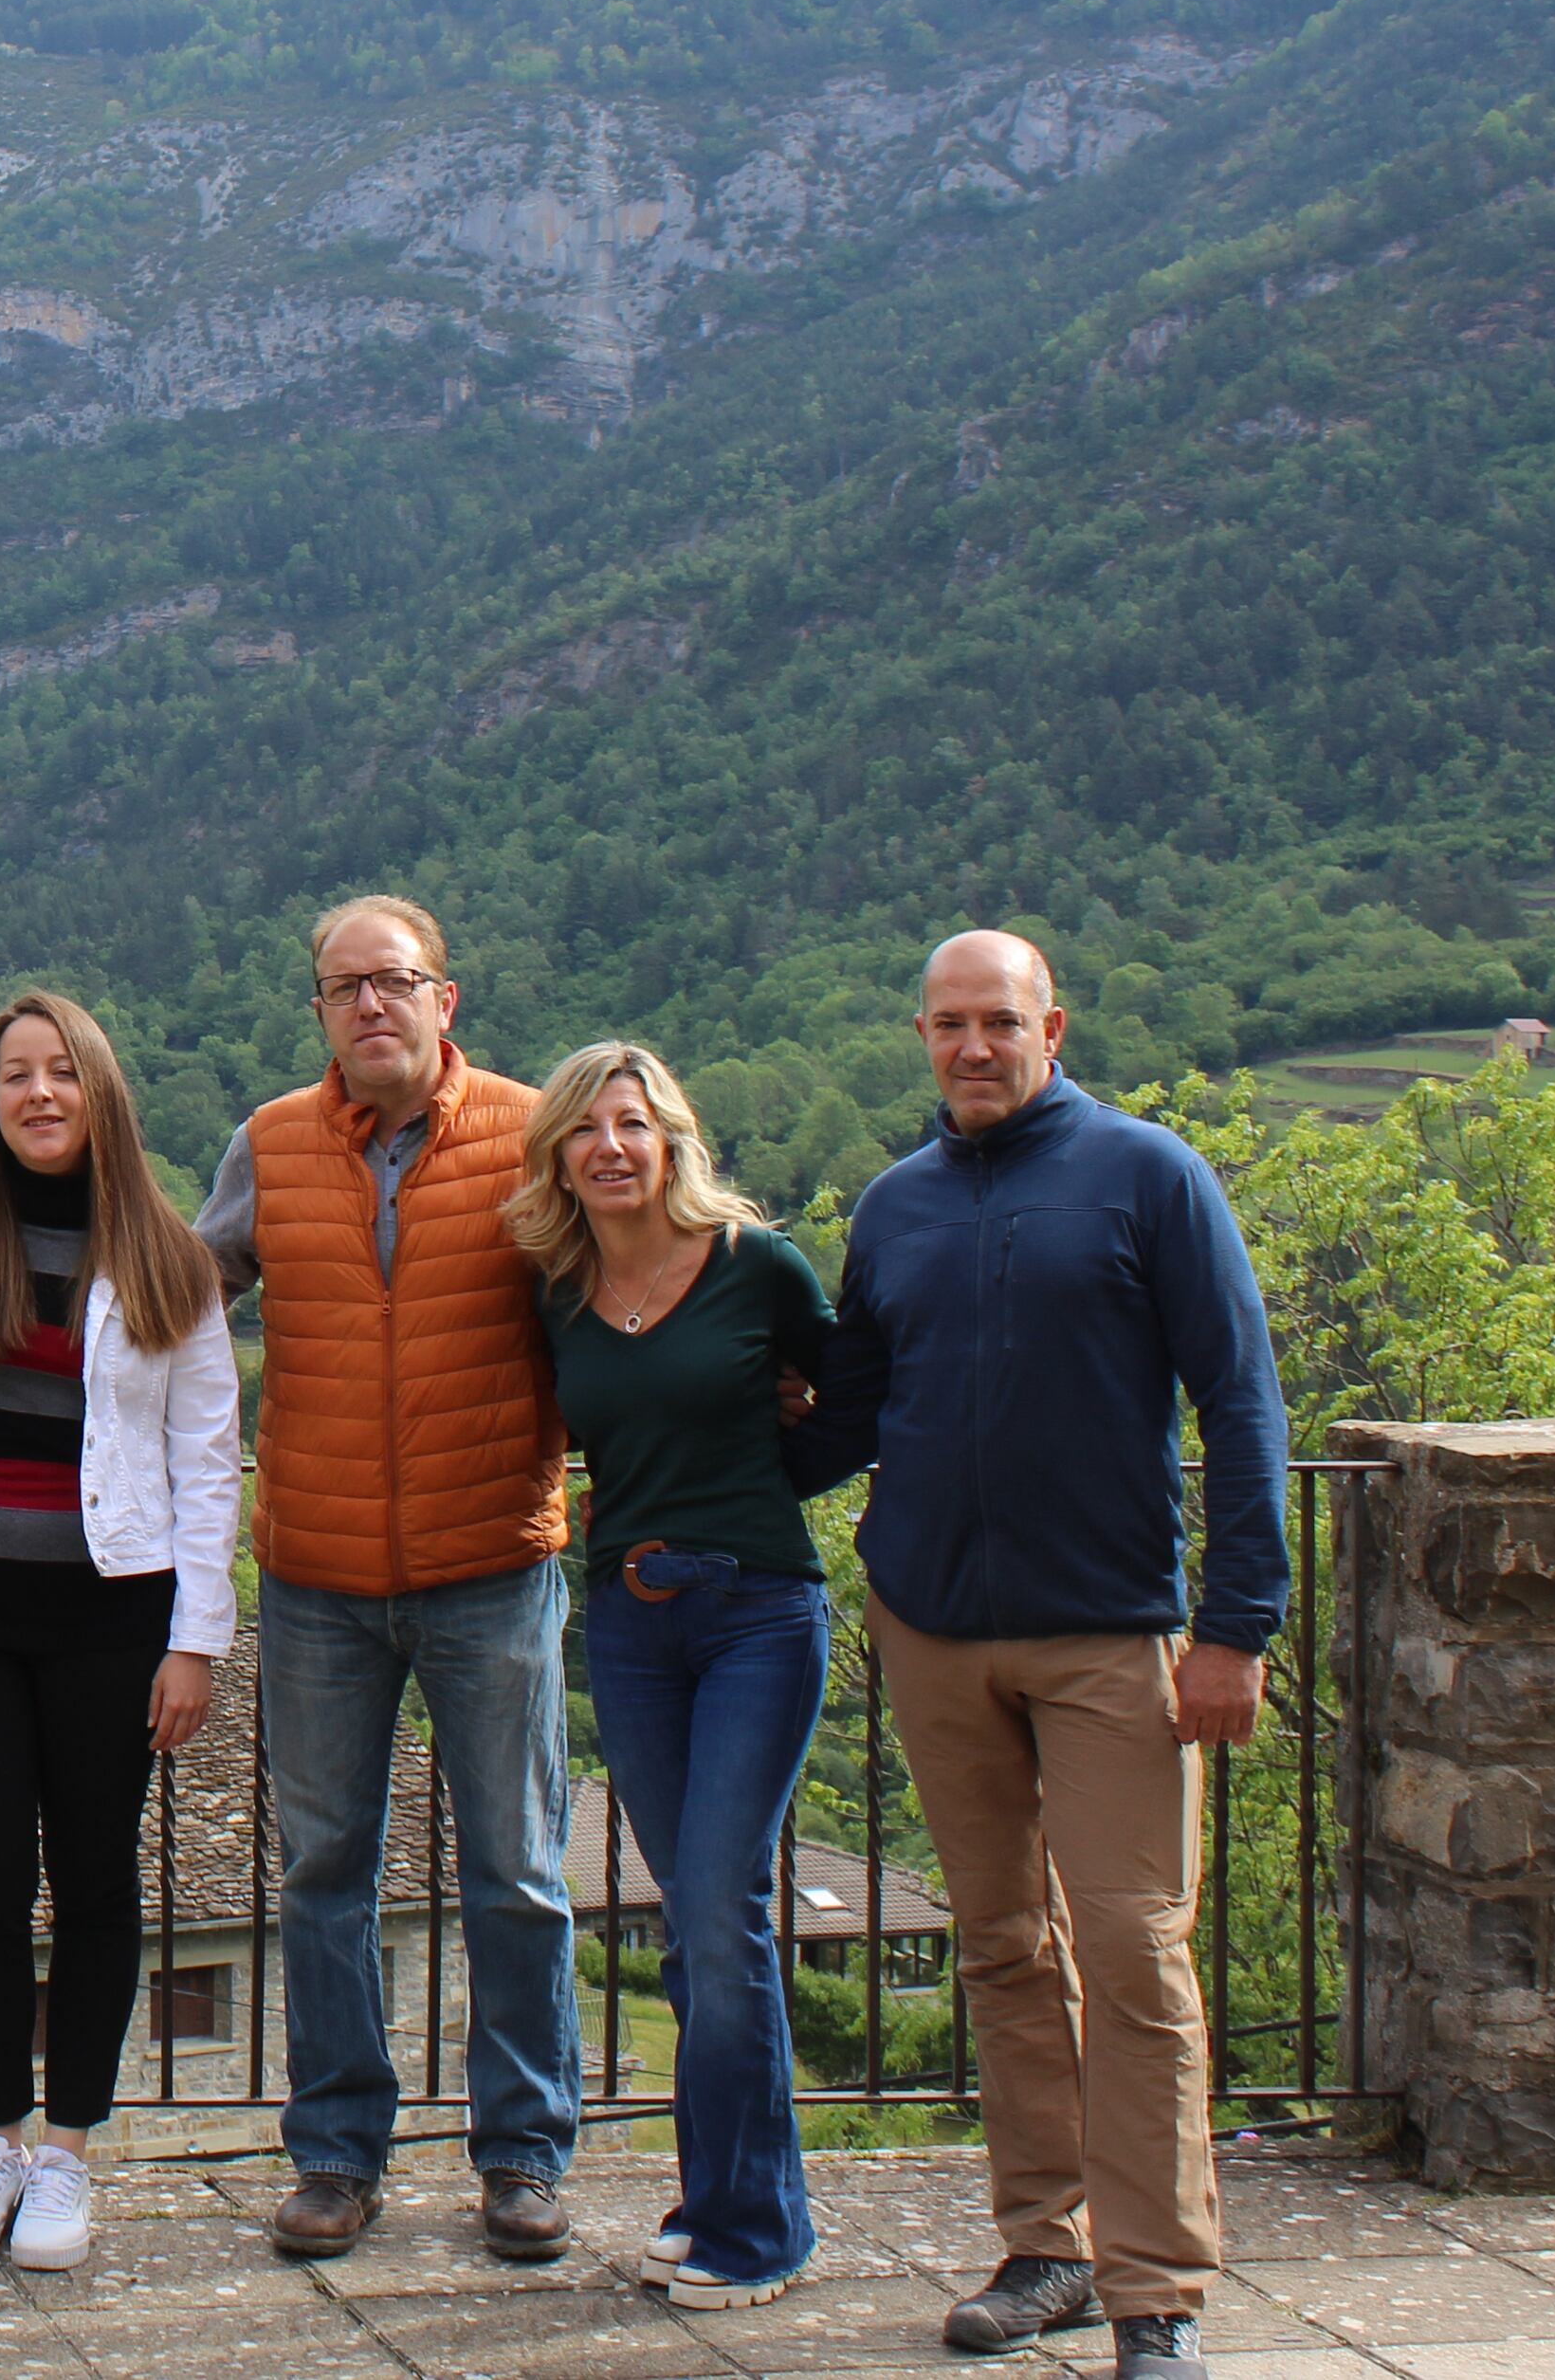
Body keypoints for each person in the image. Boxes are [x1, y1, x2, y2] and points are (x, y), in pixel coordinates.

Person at [785, 931, 1284, 2379]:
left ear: (1051, 1024)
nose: (973, 1046)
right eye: (948, 1024)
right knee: (1004, 1948)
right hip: (933, 1632)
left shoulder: (1149, 1175)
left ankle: (1157, 2291)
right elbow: (844, 1420)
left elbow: (1241, 1402)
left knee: (1134, 1954)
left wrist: (1237, 1626)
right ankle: (1046, 2244)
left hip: (1109, 1630)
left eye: (998, 1020)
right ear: (921, 1036)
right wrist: (667, 1427)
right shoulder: (895, 1207)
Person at [193, 890, 577, 2264]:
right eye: (344, 987)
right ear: (319, 1011)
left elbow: (623, 1288)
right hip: (319, 1577)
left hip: (494, 1568)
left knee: (518, 1869)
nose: (370, 1005)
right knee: (323, 1872)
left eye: (394, 981)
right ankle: (337, 2153)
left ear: (444, 997)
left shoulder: (538, 1132)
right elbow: (183, 1299)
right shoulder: (270, 1144)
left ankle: (524, 2152)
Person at [0, 993, 239, 2275]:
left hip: (111, 1609)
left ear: (101, 1090)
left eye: (60, 1073)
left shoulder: (168, 1258)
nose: (38, 1094)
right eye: (14, 1075)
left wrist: (197, 1637)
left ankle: (70, 2154)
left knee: (95, 1881)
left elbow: (208, 1459)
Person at [508, 1042, 836, 2311]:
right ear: (559, 1158)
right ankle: (719, 2198)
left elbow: (850, 1394)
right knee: (701, 1928)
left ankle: (760, 2232)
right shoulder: (563, 1290)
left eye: (632, 1124)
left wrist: (762, 1488)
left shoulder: (760, 1268)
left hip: (759, 1609)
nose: (611, 1146)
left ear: (670, 1139)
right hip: (635, 1626)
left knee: (715, 1907)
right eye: (586, 1130)